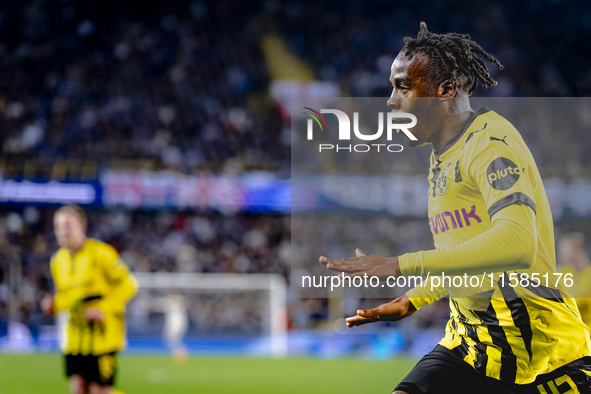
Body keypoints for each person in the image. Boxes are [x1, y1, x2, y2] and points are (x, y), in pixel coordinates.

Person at [320, 23, 591, 394]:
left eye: (403, 85)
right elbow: (466, 257)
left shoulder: (492, 143)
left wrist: (402, 263)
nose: (389, 99)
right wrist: (415, 298)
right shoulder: (441, 155)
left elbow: (517, 243)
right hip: (468, 345)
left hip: (539, 353)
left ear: (445, 90)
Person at [41, 205, 138, 394]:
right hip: (75, 338)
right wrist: (54, 305)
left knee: (99, 390)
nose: (63, 231)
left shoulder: (102, 253)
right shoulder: (57, 261)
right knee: (78, 387)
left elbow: (129, 284)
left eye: (68, 225)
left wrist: (104, 308)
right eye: (58, 226)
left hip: (102, 338)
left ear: (82, 227)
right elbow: (67, 297)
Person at [558, 232, 591, 329]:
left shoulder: (588, 274)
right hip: (570, 331)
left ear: (577, 249)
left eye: (564, 247)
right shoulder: (562, 271)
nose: (561, 251)